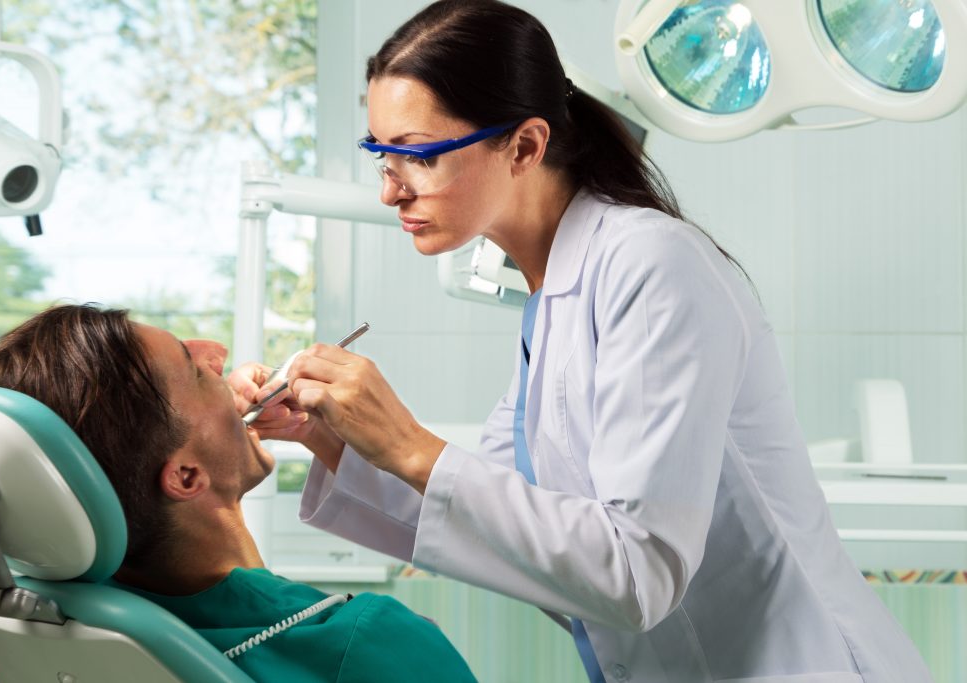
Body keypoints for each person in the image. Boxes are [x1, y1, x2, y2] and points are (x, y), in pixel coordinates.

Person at [230, 1, 932, 682]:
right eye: (383, 158)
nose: (391, 192)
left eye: (417, 157)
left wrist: (408, 441)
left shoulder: (651, 264)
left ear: (525, 146)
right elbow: (492, 525)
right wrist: (327, 437)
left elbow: (639, 573)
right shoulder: (550, 306)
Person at [0, 304, 478, 683]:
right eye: (194, 369)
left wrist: (218, 428)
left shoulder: (57, 627)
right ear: (187, 477)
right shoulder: (366, 643)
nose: (218, 354)